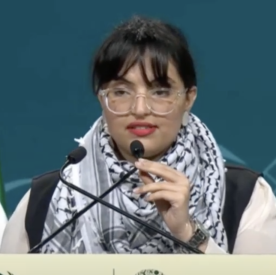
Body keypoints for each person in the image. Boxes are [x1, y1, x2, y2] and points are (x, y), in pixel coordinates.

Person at [1, 16, 276, 254]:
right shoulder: (46, 199)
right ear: (102, 98)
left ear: (188, 98)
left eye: (160, 92)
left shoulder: (245, 196)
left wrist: (189, 232)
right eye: (121, 92)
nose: (140, 109)